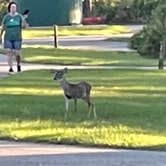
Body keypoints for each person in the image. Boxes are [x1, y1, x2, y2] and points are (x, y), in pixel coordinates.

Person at [0, 1, 27, 72]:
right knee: (9, 52)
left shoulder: (19, 17)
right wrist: (0, 36)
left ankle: (18, 64)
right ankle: (11, 68)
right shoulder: (6, 17)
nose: (13, 8)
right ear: (9, 8)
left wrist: (24, 20)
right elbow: (3, 27)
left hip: (17, 37)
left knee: (17, 53)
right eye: (12, 7)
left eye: (14, 7)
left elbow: (24, 27)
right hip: (8, 37)